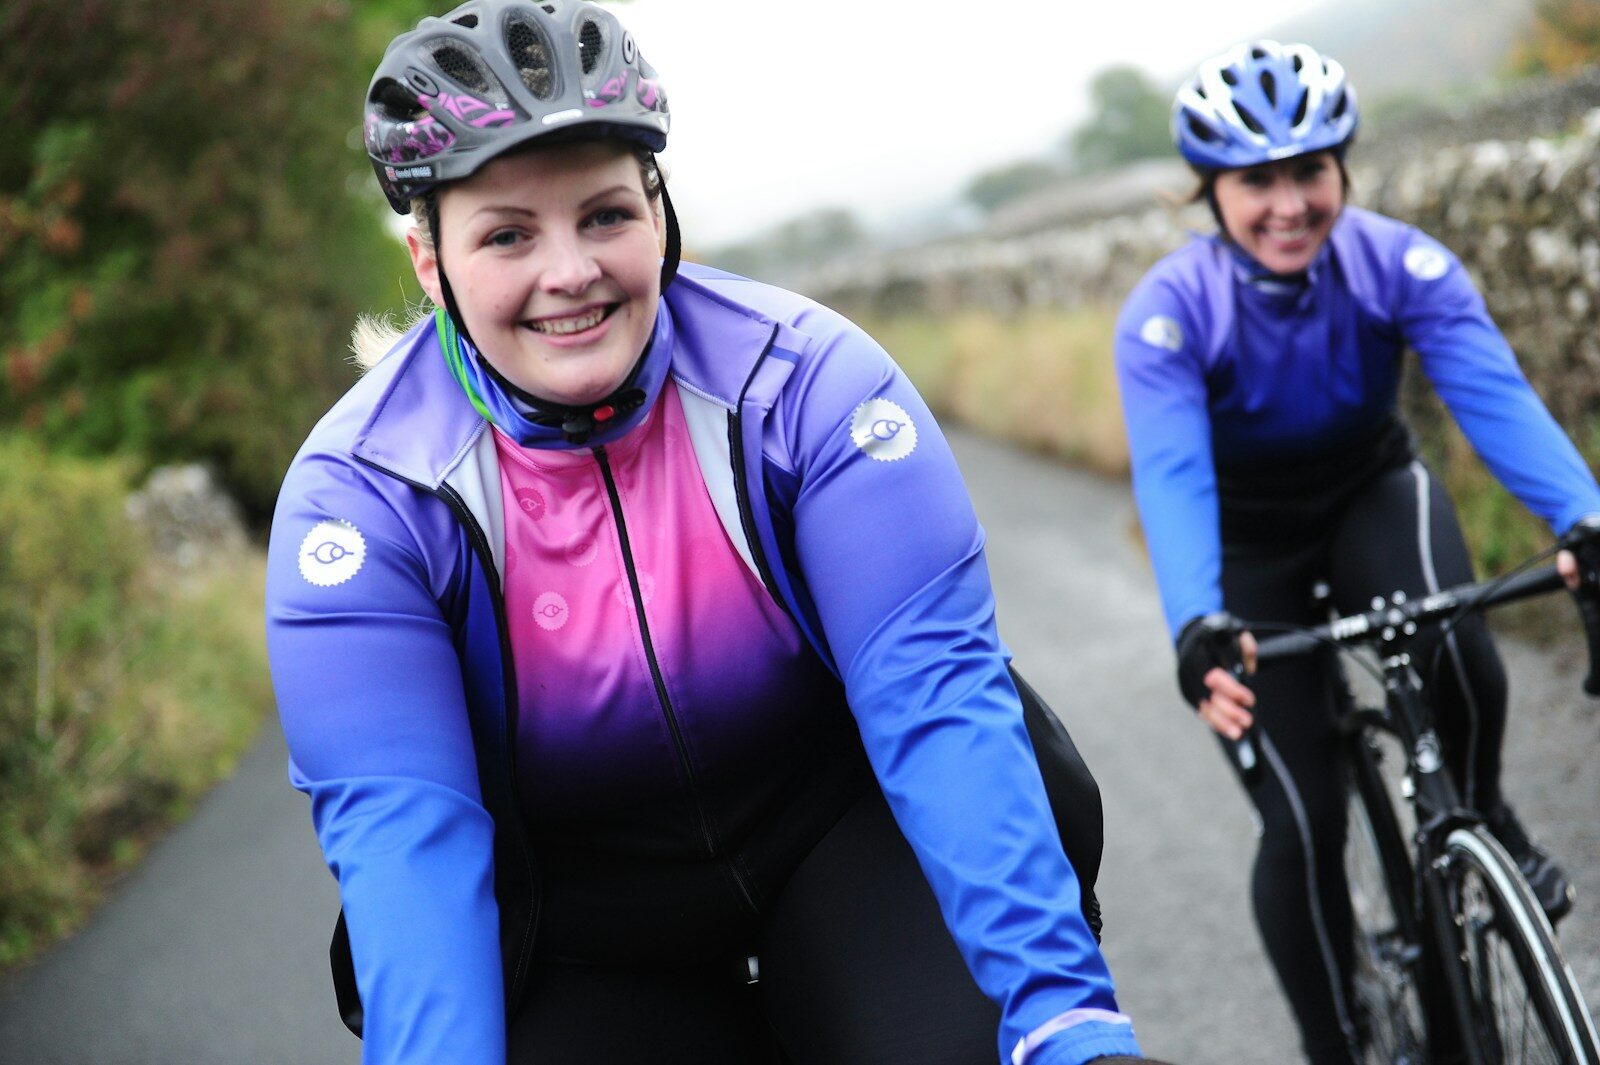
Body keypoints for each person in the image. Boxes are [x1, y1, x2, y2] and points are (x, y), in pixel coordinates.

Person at [265, 3, 1158, 1064]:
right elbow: (408, 845)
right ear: (430, 260)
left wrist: (1065, 1018)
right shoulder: (363, 500)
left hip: (843, 847)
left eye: (604, 216)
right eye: (508, 234)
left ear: (658, 206)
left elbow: (937, 700)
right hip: (584, 931)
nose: (570, 272)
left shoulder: (805, 386)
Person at [1113, 38, 1600, 1065]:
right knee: (1301, 822)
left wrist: (1582, 518)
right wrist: (1197, 621)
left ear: (1342, 173)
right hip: (1245, 546)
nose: (1287, 203)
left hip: (1366, 491)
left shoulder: (1400, 264)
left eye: (1309, 173)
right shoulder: (1169, 312)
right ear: (1211, 192)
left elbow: (1489, 394)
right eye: (1257, 181)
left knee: (1458, 653)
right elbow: (1172, 478)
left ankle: (1485, 815)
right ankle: (1334, 1045)